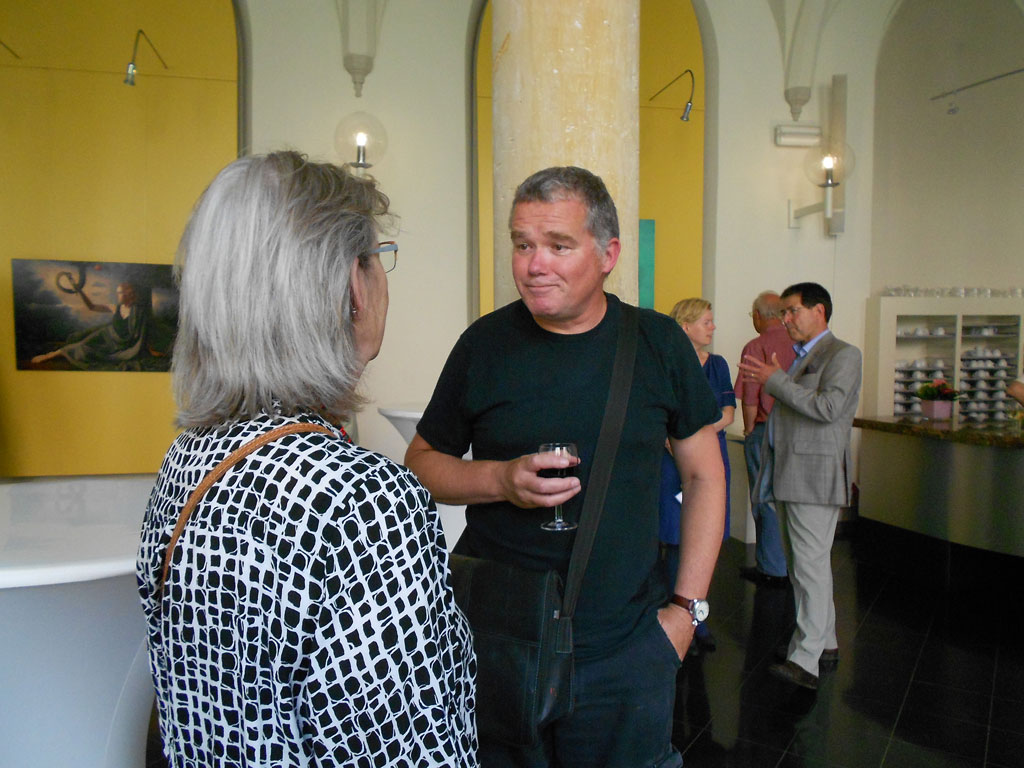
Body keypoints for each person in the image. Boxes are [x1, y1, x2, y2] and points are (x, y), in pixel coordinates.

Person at [136, 151, 477, 767]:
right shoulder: (361, 502)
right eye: (378, 257)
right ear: (351, 286)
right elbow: (414, 749)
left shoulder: (187, 461)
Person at [405, 166, 725, 767]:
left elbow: (705, 475)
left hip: (626, 648)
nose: (534, 265)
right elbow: (420, 464)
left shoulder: (657, 344)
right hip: (500, 641)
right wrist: (498, 479)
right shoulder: (484, 344)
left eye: (558, 245)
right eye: (522, 244)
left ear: (608, 255)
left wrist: (686, 613)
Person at [738, 282, 861, 691]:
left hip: (813, 478)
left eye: (792, 311)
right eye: (783, 312)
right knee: (808, 566)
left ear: (819, 311)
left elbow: (828, 408)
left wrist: (775, 381)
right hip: (792, 474)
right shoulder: (802, 357)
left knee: (808, 568)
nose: (785, 319)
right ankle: (825, 643)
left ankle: (805, 660)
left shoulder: (843, 354)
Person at [659, 298, 734, 653]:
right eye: (707, 321)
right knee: (674, 535)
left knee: (705, 534)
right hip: (669, 461)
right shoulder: (665, 363)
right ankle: (672, 613)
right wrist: (680, 440)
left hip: (709, 460)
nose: (712, 327)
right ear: (686, 326)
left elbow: (728, 414)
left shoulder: (717, 365)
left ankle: (696, 620)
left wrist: (690, 437)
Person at [732, 291, 796, 587]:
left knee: (765, 498)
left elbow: (750, 398)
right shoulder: (799, 343)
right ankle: (792, 566)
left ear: (758, 315)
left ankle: (771, 567)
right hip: (797, 433)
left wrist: (748, 430)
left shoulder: (756, 346)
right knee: (790, 499)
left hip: (766, 431)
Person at [31, 281, 152, 368]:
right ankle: (50, 355)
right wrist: (80, 291)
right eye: (118, 293)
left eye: (120, 293)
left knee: (88, 351)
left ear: (128, 294)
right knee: (81, 343)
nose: (118, 295)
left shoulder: (139, 312)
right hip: (106, 334)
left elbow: (142, 333)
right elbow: (92, 307)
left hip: (119, 344)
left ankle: (55, 355)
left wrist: (149, 349)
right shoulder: (116, 307)